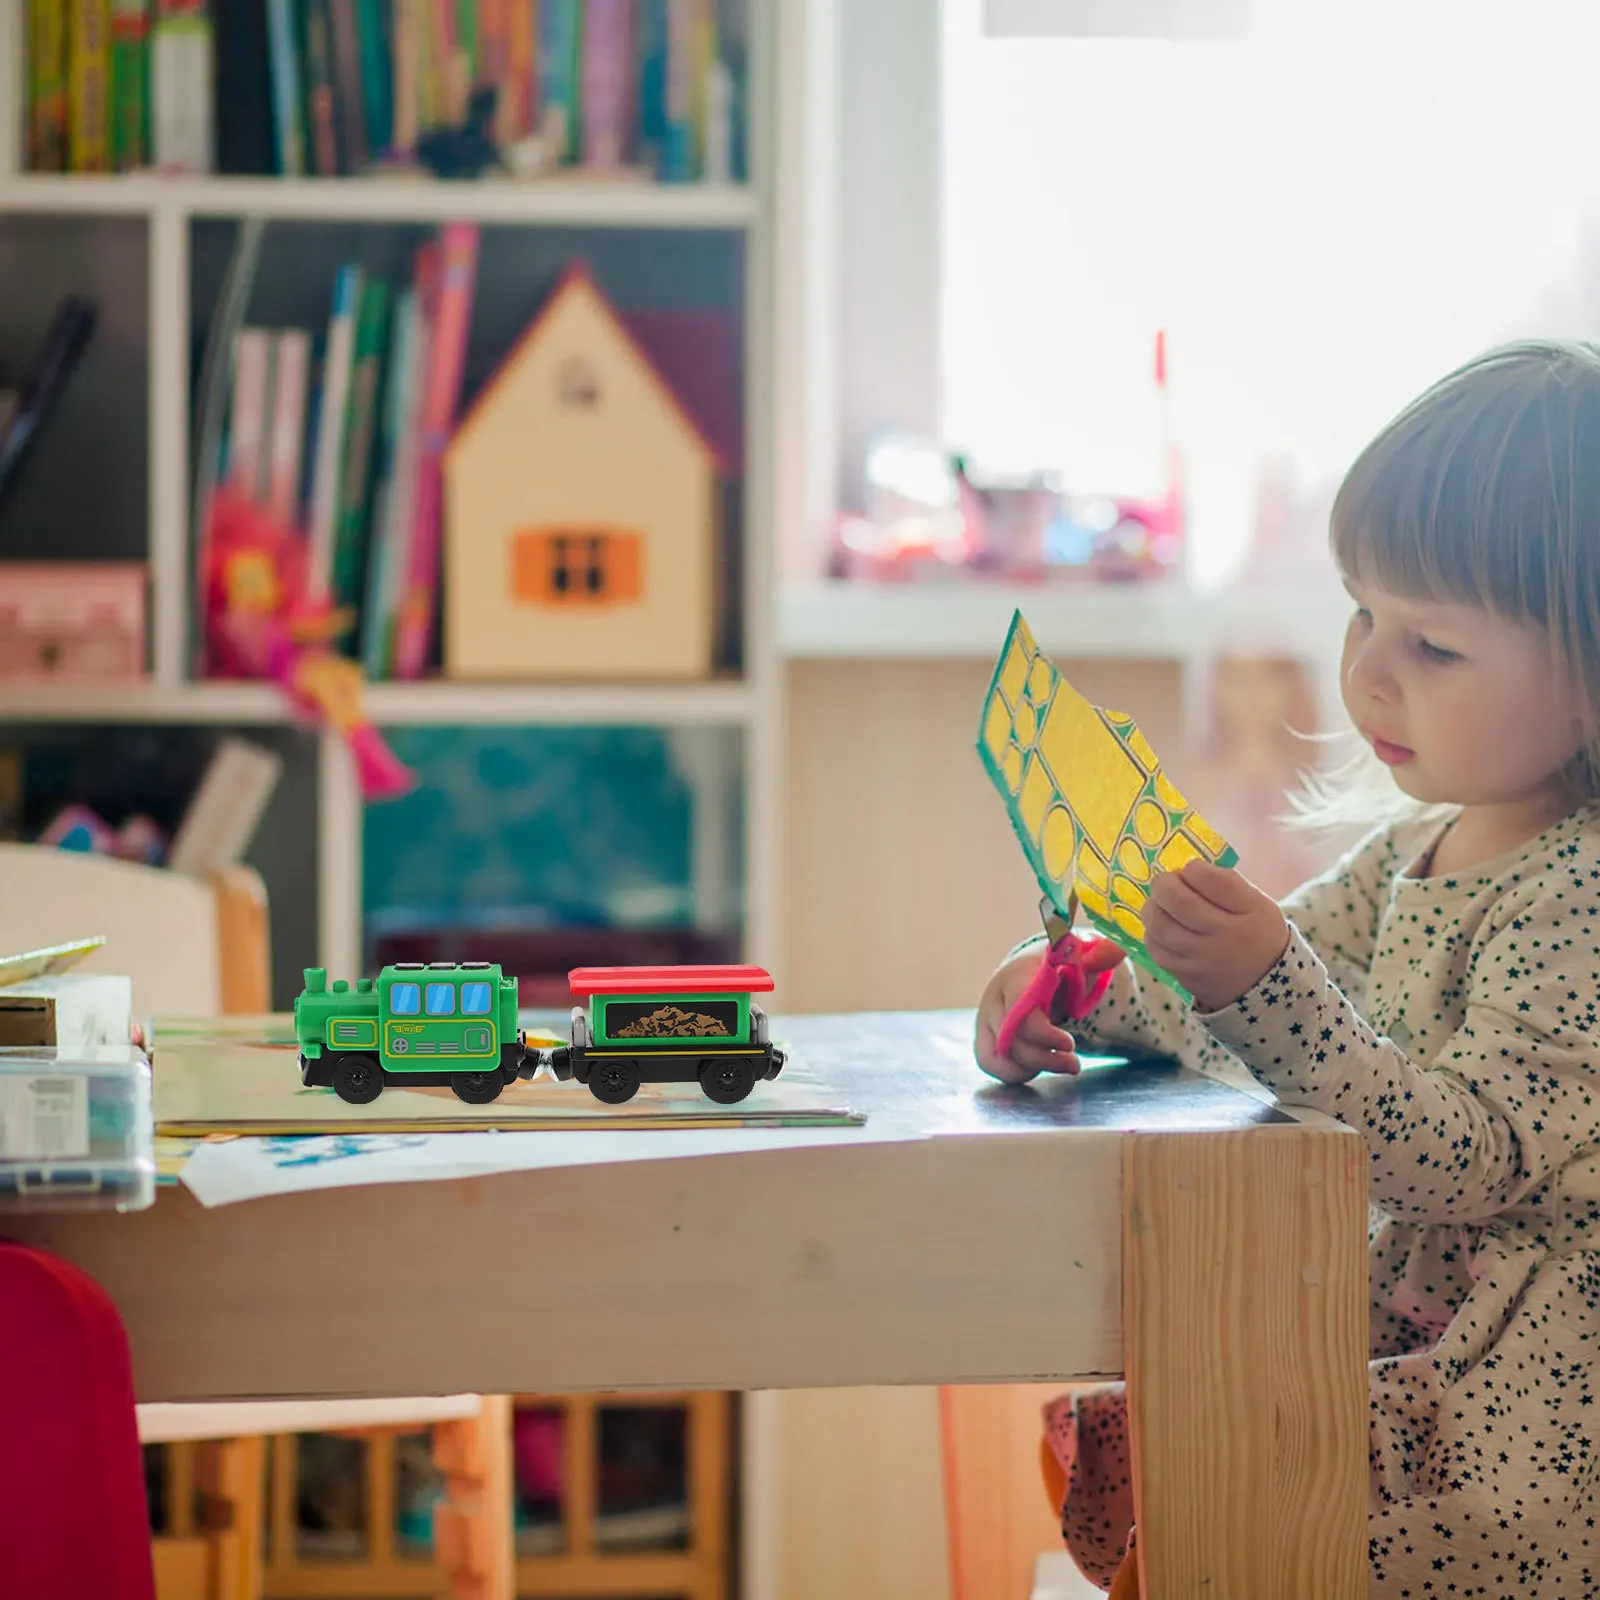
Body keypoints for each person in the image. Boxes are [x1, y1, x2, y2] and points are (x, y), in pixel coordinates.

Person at [975, 339, 1600, 1596]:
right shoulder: (1412, 846)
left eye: (1434, 647)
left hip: (1520, 1417)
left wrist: (1263, 985)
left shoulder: (1580, 888)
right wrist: (1090, 987)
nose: (1366, 667)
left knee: (1227, 1490)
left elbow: (1459, 1157)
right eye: (1363, 611)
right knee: (1177, 1456)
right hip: (1410, 1336)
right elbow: (1248, 1003)